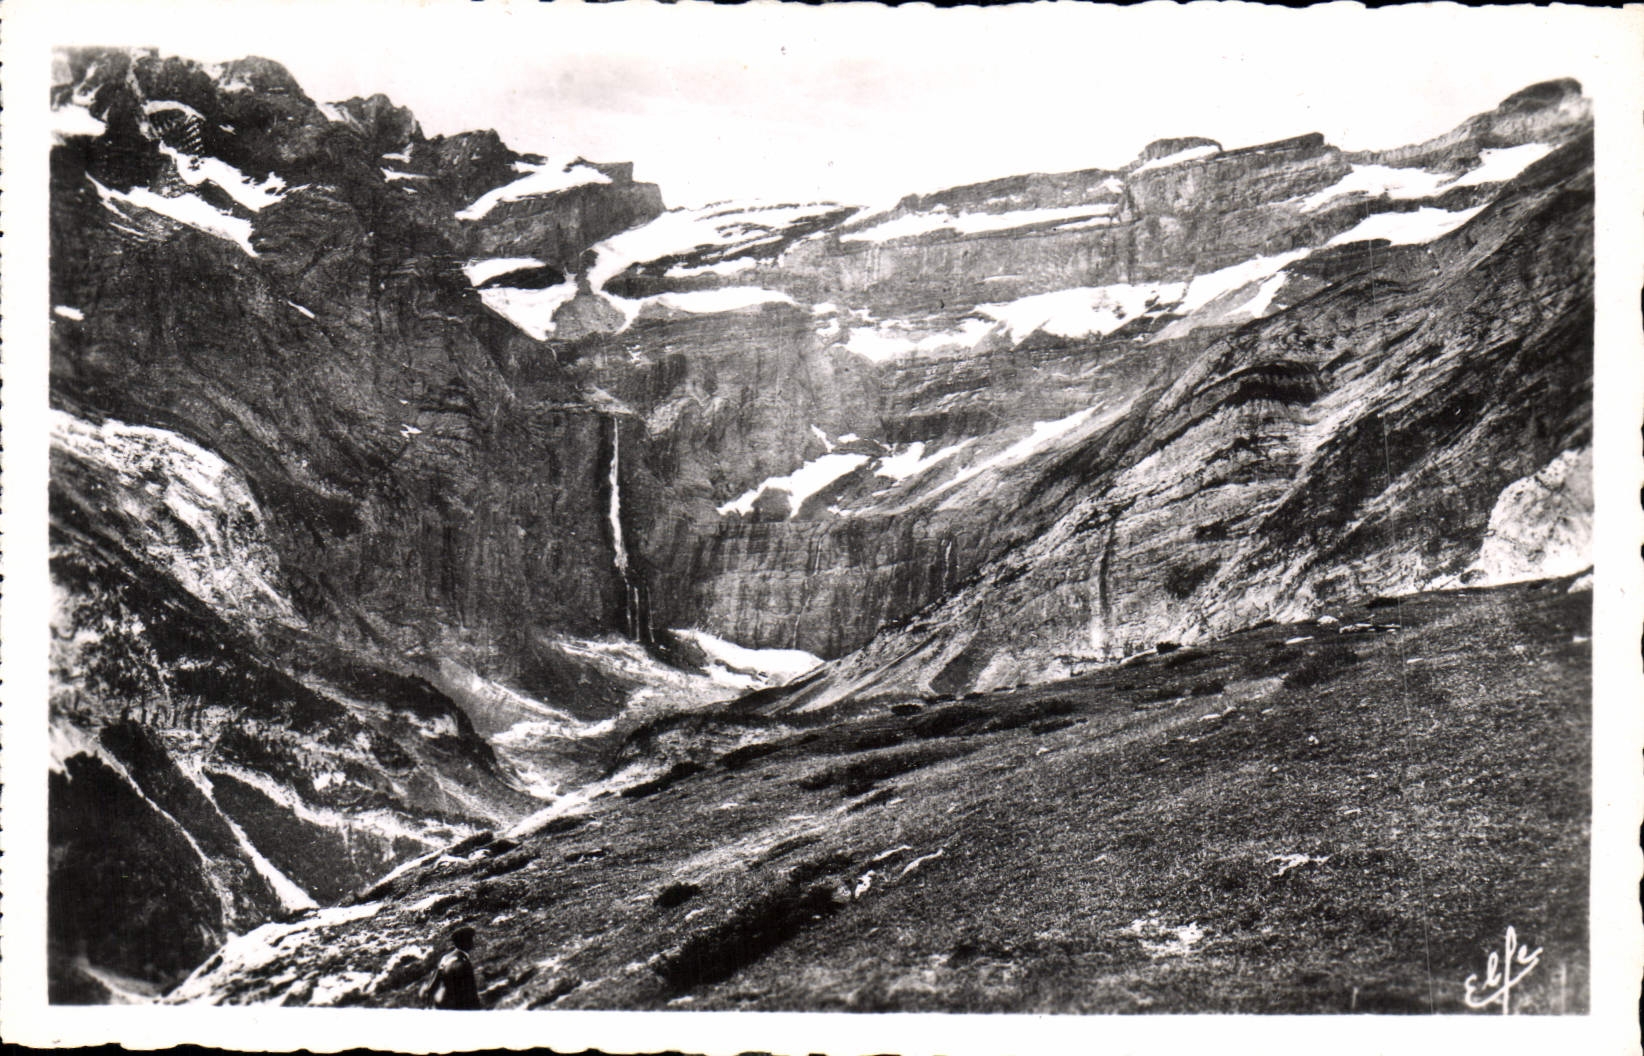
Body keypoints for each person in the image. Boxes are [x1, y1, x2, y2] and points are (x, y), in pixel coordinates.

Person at [421, 924, 483, 1010]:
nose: (472, 942)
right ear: (465, 943)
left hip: (441, 1004)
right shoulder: (463, 961)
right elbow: (470, 991)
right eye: (470, 940)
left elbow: (434, 983)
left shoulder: (445, 958)